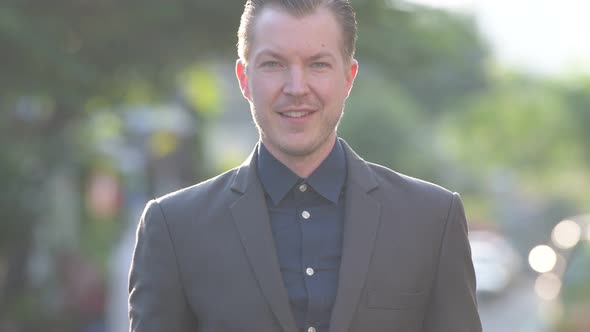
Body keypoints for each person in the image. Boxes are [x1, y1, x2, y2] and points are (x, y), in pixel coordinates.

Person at [128, 0, 482, 331]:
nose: (297, 87)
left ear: (348, 77)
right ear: (244, 78)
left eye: (318, 64)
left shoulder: (433, 219)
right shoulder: (174, 228)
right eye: (274, 64)